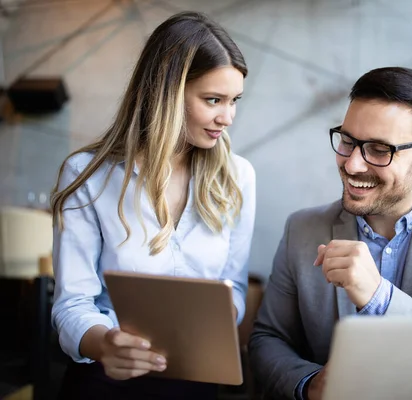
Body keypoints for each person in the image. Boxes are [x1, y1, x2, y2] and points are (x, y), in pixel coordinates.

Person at [248, 67, 412, 400]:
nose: (352, 165)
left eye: (379, 149)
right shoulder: (302, 229)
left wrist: (378, 296)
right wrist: (310, 384)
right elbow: (267, 339)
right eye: (348, 141)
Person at [50, 11, 255, 400]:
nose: (226, 117)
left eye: (234, 101)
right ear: (167, 92)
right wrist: (105, 344)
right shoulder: (88, 175)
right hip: (105, 381)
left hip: (196, 383)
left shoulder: (239, 177)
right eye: (213, 100)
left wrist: (221, 316)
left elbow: (237, 288)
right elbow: (71, 304)